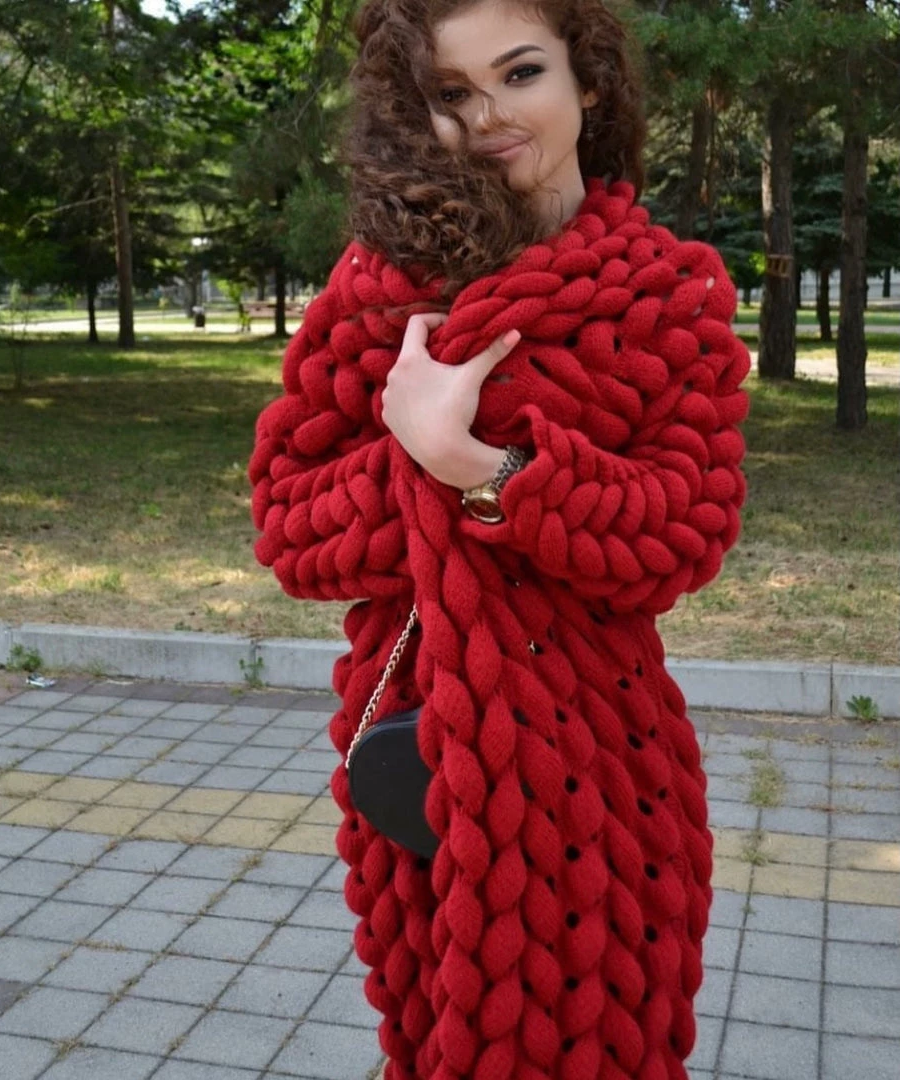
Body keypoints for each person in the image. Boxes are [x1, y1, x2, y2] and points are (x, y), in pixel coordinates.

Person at [249, 1, 750, 1078]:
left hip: (596, 761)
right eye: (449, 93)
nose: (487, 116)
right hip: (415, 750)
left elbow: (684, 528)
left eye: (520, 73)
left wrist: (477, 466)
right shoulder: (373, 289)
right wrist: (412, 459)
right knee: (430, 1035)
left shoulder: (668, 291)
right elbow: (288, 524)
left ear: (588, 81)